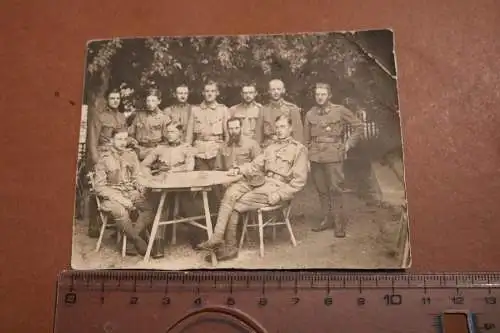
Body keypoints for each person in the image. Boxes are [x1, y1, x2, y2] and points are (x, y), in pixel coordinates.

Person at [196, 115, 309, 262]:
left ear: (290, 128)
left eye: (283, 127)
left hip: (277, 188)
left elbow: (299, 181)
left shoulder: (299, 149)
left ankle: (230, 247)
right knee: (231, 192)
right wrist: (238, 170)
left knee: (235, 204)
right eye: (277, 127)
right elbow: (254, 165)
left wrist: (280, 194)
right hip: (263, 182)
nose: (279, 130)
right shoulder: (271, 147)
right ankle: (218, 238)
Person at [304, 83, 364, 237]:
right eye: (317, 94)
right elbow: (306, 139)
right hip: (315, 156)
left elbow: (358, 126)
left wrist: (348, 144)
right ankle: (327, 219)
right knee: (322, 190)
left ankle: (339, 223)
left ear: (329, 95)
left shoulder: (340, 110)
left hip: (333, 154)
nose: (320, 97)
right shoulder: (310, 114)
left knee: (335, 189)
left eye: (323, 94)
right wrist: (306, 157)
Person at [93, 128, 158, 257]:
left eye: (125, 139)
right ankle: (137, 240)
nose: (123, 142)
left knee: (150, 208)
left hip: (130, 192)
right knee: (120, 210)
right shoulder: (104, 158)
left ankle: (129, 239)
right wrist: (120, 198)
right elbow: (99, 187)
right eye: (119, 139)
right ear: (111, 140)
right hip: (111, 195)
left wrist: (141, 188)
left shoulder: (131, 155)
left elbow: (137, 176)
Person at [140, 122, 195, 258]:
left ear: (180, 134)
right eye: (168, 132)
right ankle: (158, 243)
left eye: (173, 132)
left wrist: (175, 170)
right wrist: (150, 177)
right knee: (161, 205)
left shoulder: (186, 148)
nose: (170, 135)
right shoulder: (160, 148)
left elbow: (190, 166)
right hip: (163, 183)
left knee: (191, 204)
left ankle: (198, 238)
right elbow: (144, 164)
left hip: (182, 183)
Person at [86, 87, 128, 238]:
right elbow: (93, 140)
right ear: (107, 100)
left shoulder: (122, 117)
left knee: (120, 184)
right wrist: (96, 160)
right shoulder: (100, 116)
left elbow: (124, 137)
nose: (115, 101)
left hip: (119, 154)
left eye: (117, 98)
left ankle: (119, 225)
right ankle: (93, 225)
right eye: (112, 98)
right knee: (97, 187)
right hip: (103, 153)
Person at [185, 80, 229, 170]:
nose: (209, 94)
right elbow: (189, 135)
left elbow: (227, 134)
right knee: (201, 179)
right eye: (207, 91)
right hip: (199, 151)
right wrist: (188, 150)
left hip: (217, 151)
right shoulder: (195, 110)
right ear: (203, 93)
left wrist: (224, 148)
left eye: (212, 91)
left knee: (217, 179)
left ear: (217, 93)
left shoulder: (223, 110)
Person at [257, 79, 304, 148]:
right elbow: (258, 134)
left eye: (278, 89)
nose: (276, 92)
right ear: (269, 91)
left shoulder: (292, 109)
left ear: (283, 90)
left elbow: (298, 134)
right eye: (273, 89)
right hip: (268, 147)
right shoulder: (263, 110)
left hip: (287, 147)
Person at [128, 88, 171, 160]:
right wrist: (134, 144)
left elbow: (166, 139)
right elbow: (131, 133)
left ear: (159, 101)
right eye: (148, 101)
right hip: (139, 149)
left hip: (154, 150)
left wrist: (158, 150)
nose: (150, 104)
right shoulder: (139, 115)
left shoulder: (164, 118)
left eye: (153, 101)